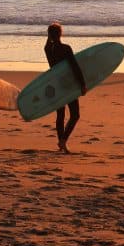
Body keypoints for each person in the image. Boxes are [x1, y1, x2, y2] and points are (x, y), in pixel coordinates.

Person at [44, 23, 87, 153]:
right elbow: (75, 67)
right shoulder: (66, 48)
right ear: (61, 33)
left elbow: (49, 44)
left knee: (60, 115)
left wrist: (49, 36)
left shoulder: (47, 49)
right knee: (75, 115)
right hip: (68, 84)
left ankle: (62, 142)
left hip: (56, 84)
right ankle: (63, 141)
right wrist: (82, 84)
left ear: (49, 35)